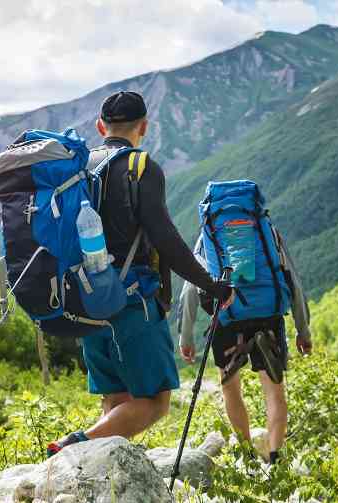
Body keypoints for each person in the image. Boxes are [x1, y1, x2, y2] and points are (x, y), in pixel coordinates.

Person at [46, 91, 233, 456]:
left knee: (117, 402)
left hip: (86, 303)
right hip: (132, 303)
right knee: (154, 402)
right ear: (144, 126)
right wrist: (210, 284)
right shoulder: (140, 167)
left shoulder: (79, 170)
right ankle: (74, 447)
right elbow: (165, 238)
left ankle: (97, 480)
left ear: (101, 126)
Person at [178, 232, 312, 465]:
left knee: (230, 388)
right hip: (267, 314)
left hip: (226, 315)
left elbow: (191, 287)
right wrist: (303, 329)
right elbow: (292, 279)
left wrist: (186, 336)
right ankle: (276, 460)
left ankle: (248, 456)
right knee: (274, 391)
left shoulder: (208, 233)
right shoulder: (266, 228)